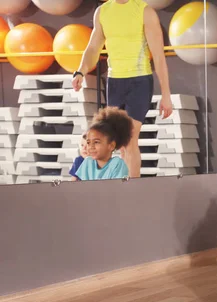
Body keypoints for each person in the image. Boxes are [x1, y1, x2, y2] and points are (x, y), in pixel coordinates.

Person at [72, 0, 173, 178]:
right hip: (115, 82)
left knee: (130, 139)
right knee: (119, 141)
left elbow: (158, 56)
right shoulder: (102, 12)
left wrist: (166, 95)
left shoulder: (144, 11)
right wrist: (80, 71)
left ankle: (132, 188)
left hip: (139, 80)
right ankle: (122, 184)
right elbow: (93, 47)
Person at [76, 107, 131, 181]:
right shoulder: (87, 162)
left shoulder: (117, 164)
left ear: (111, 145)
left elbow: (118, 189)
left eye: (96, 142)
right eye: (88, 142)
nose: (91, 147)